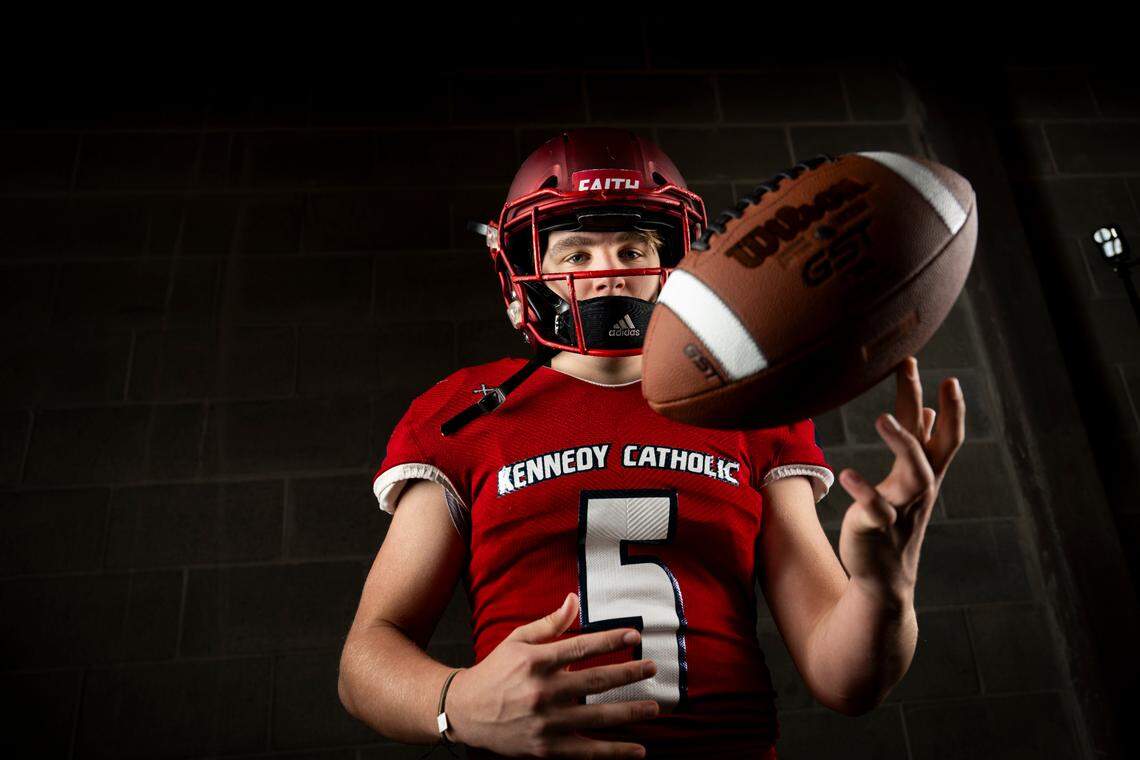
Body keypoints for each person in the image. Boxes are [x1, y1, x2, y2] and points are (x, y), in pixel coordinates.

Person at [337, 128, 966, 759]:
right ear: (527, 275)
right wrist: (456, 703)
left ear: (679, 261)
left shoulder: (749, 407)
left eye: (632, 246)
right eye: (576, 255)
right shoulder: (466, 410)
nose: (609, 272)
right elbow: (365, 659)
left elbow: (845, 680)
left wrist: (884, 592)